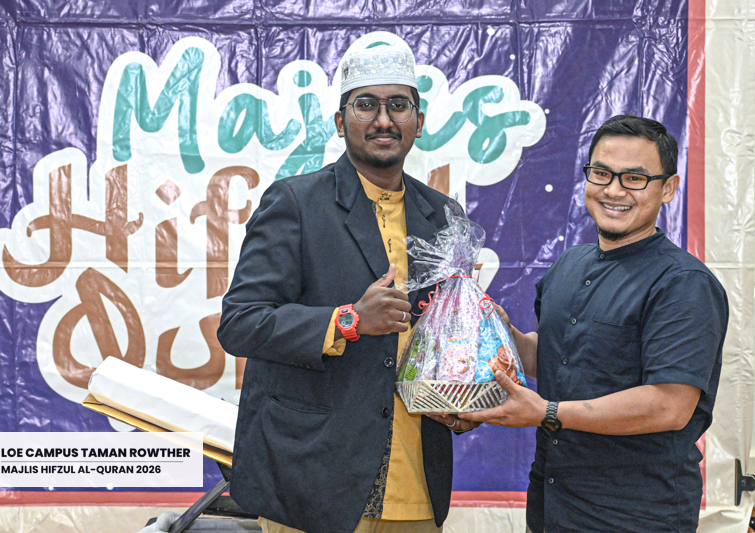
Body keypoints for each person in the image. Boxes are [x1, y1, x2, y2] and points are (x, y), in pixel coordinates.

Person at [218, 39, 477, 533]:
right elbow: (241, 322)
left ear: (419, 122)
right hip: (315, 481)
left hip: (415, 483)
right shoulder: (296, 203)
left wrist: (460, 391)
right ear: (340, 122)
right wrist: (348, 320)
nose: (384, 120)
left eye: (398, 105)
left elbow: (448, 336)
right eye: (366, 105)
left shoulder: (444, 216)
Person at [460, 115, 729, 533]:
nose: (614, 190)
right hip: (552, 504)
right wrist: (499, 333)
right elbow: (555, 359)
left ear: (668, 188)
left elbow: (670, 405)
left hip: (635, 514)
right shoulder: (570, 264)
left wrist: (547, 412)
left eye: (634, 178)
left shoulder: (683, 283)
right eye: (602, 173)